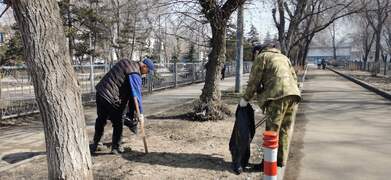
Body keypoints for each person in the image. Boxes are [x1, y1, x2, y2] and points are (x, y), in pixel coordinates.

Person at [239, 43, 301, 168]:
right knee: (284, 129)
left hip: (277, 96)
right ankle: (280, 160)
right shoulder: (284, 57)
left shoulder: (262, 57)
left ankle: (267, 165)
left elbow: (254, 81)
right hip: (293, 95)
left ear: (257, 52)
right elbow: (294, 78)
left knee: (272, 132)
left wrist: (245, 99)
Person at [91, 58, 154, 154]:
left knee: (101, 119)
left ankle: (96, 143)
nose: (146, 73)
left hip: (101, 92)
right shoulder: (135, 73)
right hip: (112, 97)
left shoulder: (125, 62)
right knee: (119, 121)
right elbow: (136, 95)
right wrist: (140, 113)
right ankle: (116, 147)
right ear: (144, 66)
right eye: (147, 71)